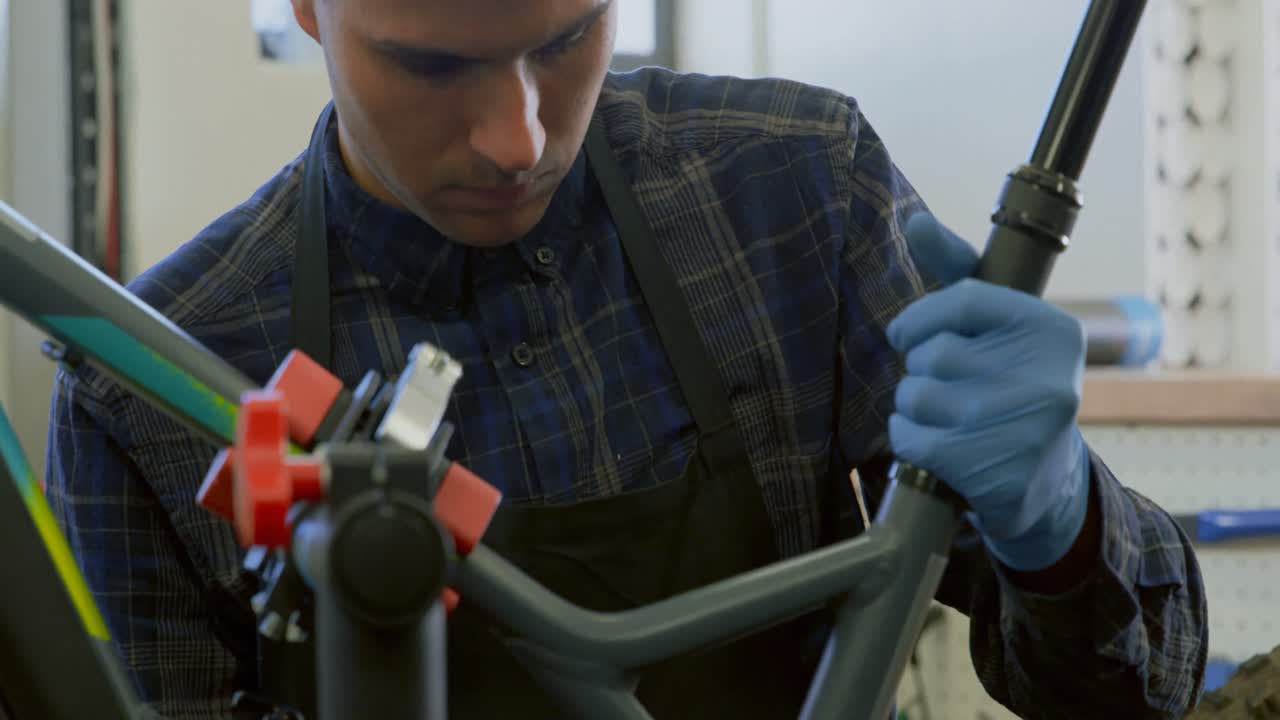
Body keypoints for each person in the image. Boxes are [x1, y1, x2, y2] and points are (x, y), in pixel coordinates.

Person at [46, 0, 1207, 718]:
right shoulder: (160, 378)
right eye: (435, 68)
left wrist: (1058, 533)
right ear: (305, 7)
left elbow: (1131, 691)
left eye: (566, 38)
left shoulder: (791, 191)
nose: (519, 137)